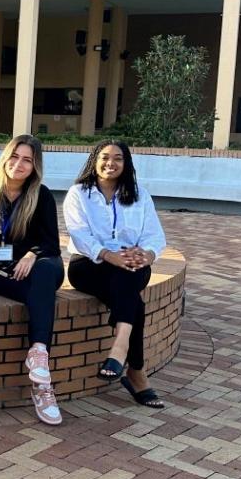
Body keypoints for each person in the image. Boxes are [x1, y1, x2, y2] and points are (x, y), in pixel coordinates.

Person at [63, 139, 167, 409]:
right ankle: (135, 371)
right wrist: (110, 256)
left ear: (126, 163)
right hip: (89, 265)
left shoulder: (140, 195)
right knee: (132, 295)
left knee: (129, 276)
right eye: (105, 157)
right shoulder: (78, 193)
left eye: (118, 158)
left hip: (131, 265)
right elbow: (79, 234)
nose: (111, 163)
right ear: (94, 160)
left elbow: (154, 235)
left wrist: (147, 255)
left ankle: (120, 351)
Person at [0, 134, 64, 426]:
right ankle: (42, 386)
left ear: (35, 166)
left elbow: (51, 243)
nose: (19, 164)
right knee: (37, 293)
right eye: (15, 156)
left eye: (27, 160)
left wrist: (31, 255)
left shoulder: (42, 195)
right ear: (5, 157)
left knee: (46, 272)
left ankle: (39, 353)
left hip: (39, 267)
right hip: (1, 272)